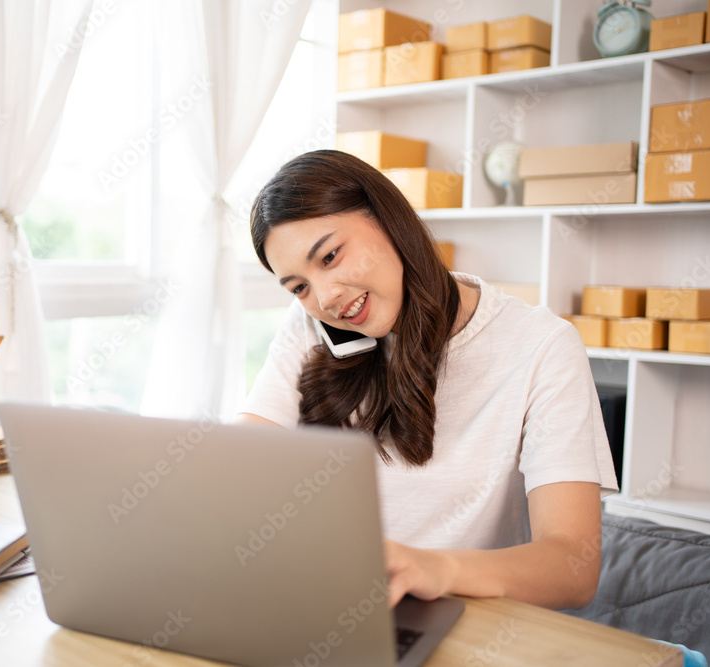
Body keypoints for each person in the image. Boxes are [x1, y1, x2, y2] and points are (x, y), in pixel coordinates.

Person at [238, 149, 619, 611]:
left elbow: (572, 569)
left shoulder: (541, 345)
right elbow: (239, 474)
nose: (325, 297)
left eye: (332, 256)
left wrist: (438, 569)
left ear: (388, 219)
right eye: (299, 287)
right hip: (330, 611)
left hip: (468, 625)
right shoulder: (311, 330)